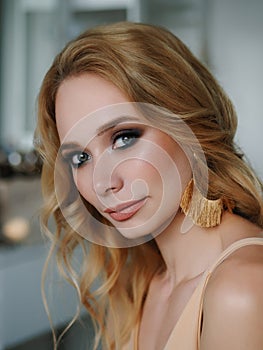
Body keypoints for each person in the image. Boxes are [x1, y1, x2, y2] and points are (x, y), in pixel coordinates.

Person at [35, 21, 263, 350]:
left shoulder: (241, 291)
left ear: (189, 126)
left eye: (124, 137)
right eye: (80, 158)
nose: (103, 183)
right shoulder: (147, 282)